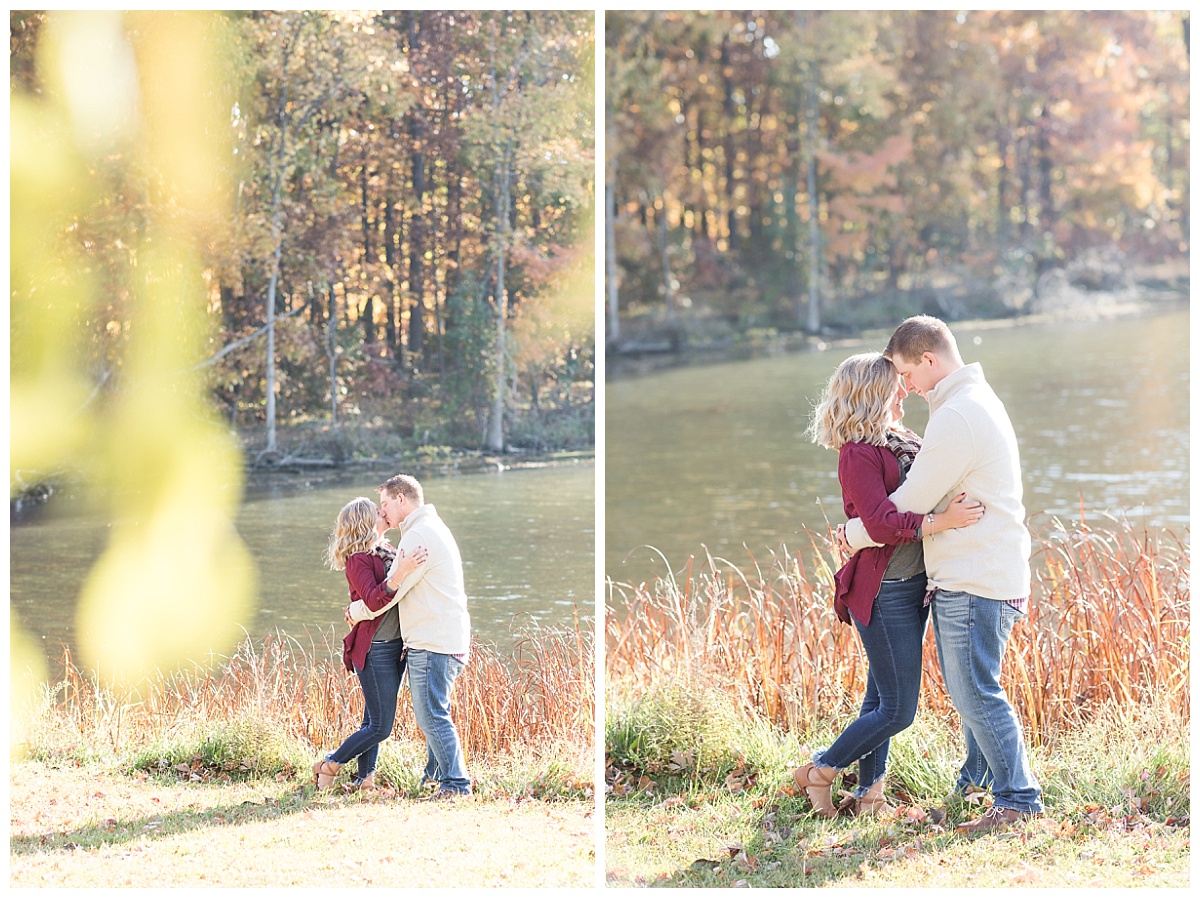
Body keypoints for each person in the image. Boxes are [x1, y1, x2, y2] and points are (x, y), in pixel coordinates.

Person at [840, 315, 1044, 834]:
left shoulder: (957, 416)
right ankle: (973, 786)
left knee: (975, 691)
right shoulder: (972, 401)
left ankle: (1018, 800)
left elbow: (909, 502)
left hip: (974, 574)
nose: (903, 386)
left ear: (929, 360)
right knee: (972, 687)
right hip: (984, 569)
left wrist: (853, 534)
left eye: (907, 373)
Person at [792, 352, 984, 818]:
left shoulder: (897, 439)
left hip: (913, 583)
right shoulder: (857, 452)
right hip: (885, 591)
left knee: (879, 696)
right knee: (898, 710)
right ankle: (820, 769)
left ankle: (868, 794)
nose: (905, 390)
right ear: (873, 393)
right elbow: (878, 524)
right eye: (896, 384)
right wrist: (943, 521)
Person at [348, 474, 473, 799]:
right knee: (435, 710)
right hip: (441, 637)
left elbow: (392, 591)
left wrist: (354, 613)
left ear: (401, 499)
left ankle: (456, 785)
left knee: (432, 714)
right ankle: (433, 779)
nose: (384, 511)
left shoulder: (418, 536)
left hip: (433, 641)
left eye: (386, 504)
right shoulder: (430, 527)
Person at [314, 497, 427, 792]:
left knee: (371, 719)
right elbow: (373, 599)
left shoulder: (387, 550)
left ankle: (365, 780)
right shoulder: (358, 560)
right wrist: (401, 571)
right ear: (366, 523)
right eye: (378, 513)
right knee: (380, 726)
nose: (384, 513)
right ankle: (331, 763)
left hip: (395, 646)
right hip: (375, 648)